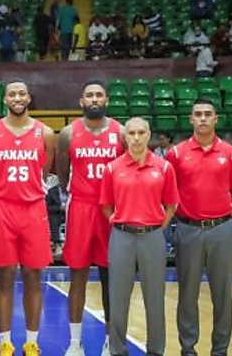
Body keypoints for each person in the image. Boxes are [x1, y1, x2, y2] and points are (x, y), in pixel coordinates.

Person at [166, 98, 232, 356]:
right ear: (190, 119)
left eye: (207, 114)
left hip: (221, 230)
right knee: (187, 294)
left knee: (222, 294)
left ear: (216, 119)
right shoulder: (176, 154)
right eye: (198, 114)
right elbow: (169, 193)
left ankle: (220, 350)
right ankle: (188, 349)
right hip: (187, 229)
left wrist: (220, 214)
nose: (203, 118)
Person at [0, 80, 56, 356]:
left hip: (33, 207)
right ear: (4, 99)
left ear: (29, 98)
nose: (17, 97)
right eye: (12, 93)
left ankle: (32, 341)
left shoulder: (45, 133)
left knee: (33, 276)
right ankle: (4, 341)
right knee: (4, 276)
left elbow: (45, 173)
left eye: (22, 93)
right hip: (3, 206)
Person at [100, 117, 179, 356]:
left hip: (152, 237)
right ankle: (117, 350)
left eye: (141, 132)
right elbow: (105, 205)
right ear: (125, 137)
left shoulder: (164, 167)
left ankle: (156, 351)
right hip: (122, 236)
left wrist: (156, 227)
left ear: (148, 135)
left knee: (155, 298)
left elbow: (171, 204)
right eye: (131, 133)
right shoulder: (112, 168)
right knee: (118, 298)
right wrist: (119, 221)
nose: (136, 137)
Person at [56, 82, 125, 356]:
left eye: (99, 95)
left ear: (106, 99)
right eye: (89, 95)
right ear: (81, 101)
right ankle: (75, 343)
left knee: (113, 279)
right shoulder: (68, 133)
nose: (94, 99)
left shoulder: (120, 132)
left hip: (112, 210)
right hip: (81, 208)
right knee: (78, 277)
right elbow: (62, 174)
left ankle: (111, 341)